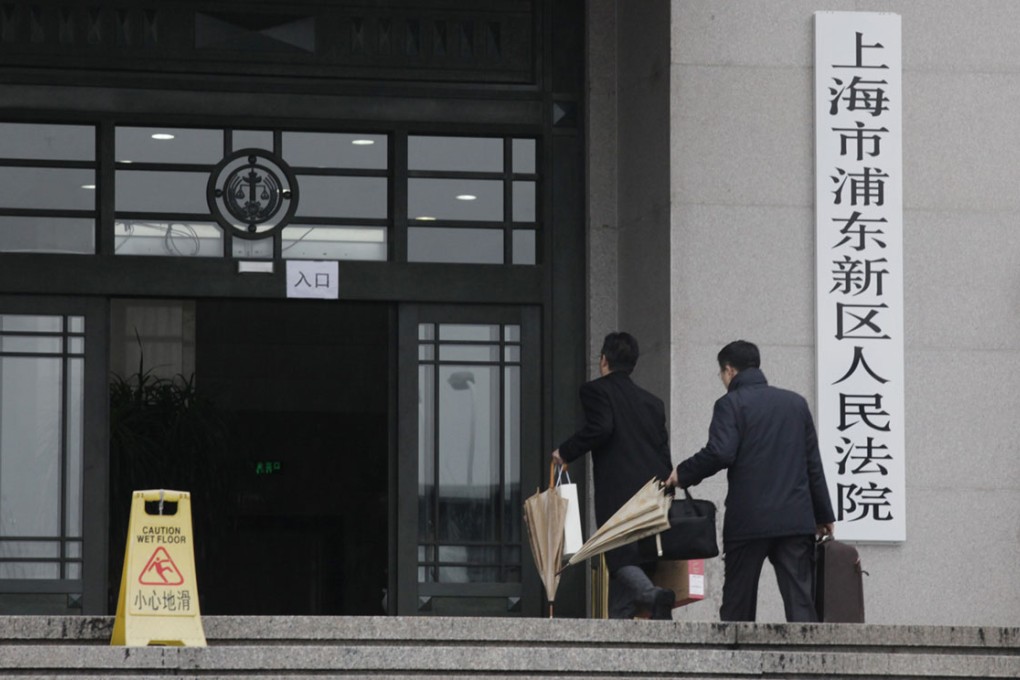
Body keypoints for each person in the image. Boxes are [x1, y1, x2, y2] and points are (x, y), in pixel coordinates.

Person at [666, 340, 835, 622]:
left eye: (721, 373)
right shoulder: (795, 404)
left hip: (748, 521)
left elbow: (720, 452)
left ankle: (736, 652)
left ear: (729, 370)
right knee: (801, 606)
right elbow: (812, 465)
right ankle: (807, 651)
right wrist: (823, 515)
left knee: (738, 607)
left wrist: (682, 473)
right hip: (795, 520)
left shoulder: (730, 404)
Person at [552, 332, 675, 619]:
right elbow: (662, 451)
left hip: (619, 490)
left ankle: (652, 595)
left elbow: (601, 427)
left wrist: (566, 452)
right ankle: (619, 626)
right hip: (654, 489)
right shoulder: (653, 403)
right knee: (636, 558)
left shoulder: (596, 391)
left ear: (604, 360)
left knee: (618, 555)